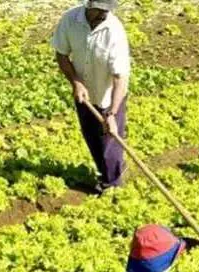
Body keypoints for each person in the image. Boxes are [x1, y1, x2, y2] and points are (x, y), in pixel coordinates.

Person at [52, 0, 130, 194]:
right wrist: (76, 82)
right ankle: (108, 174)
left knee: (109, 143)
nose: (104, 14)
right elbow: (61, 54)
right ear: (89, 6)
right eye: (100, 9)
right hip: (84, 95)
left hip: (109, 96)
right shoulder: (70, 20)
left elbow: (120, 77)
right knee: (92, 138)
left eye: (107, 10)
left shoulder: (114, 30)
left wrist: (111, 113)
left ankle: (112, 184)